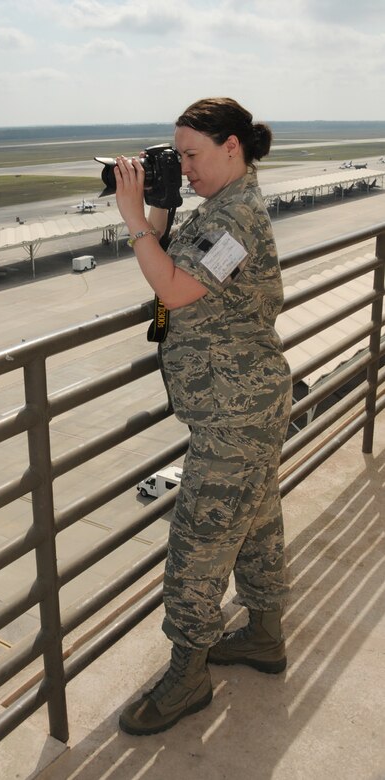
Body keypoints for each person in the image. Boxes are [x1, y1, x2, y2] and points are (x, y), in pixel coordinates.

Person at [113, 97, 293, 736]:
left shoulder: (236, 217)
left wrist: (132, 219)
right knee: (256, 523)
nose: (184, 167)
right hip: (241, 405)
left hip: (236, 414)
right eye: (177, 157)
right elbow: (171, 275)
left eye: (191, 155)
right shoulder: (216, 211)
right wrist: (159, 212)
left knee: (199, 543)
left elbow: (174, 291)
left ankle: (187, 675)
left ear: (232, 147)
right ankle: (264, 635)